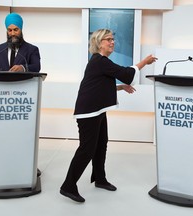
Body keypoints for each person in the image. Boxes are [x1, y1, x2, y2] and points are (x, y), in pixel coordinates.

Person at [60, 29, 157, 203]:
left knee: (101, 144)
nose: (112, 42)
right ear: (99, 42)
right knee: (87, 149)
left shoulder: (100, 63)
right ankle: (68, 186)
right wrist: (144, 62)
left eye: (113, 39)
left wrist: (120, 87)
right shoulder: (100, 61)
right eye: (108, 40)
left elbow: (98, 85)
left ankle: (100, 178)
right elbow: (126, 74)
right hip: (89, 112)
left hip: (96, 110)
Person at [0, 13, 42, 177]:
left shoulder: (31, 49)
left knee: (24, 136)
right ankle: (5, 165)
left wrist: (23, 68)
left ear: (21, 29)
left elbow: (37, 67)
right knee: (4, 136)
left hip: (23, 100)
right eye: (9, 30)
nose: (12, 33)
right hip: (2, 101)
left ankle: (29, 166)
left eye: (15, 29)